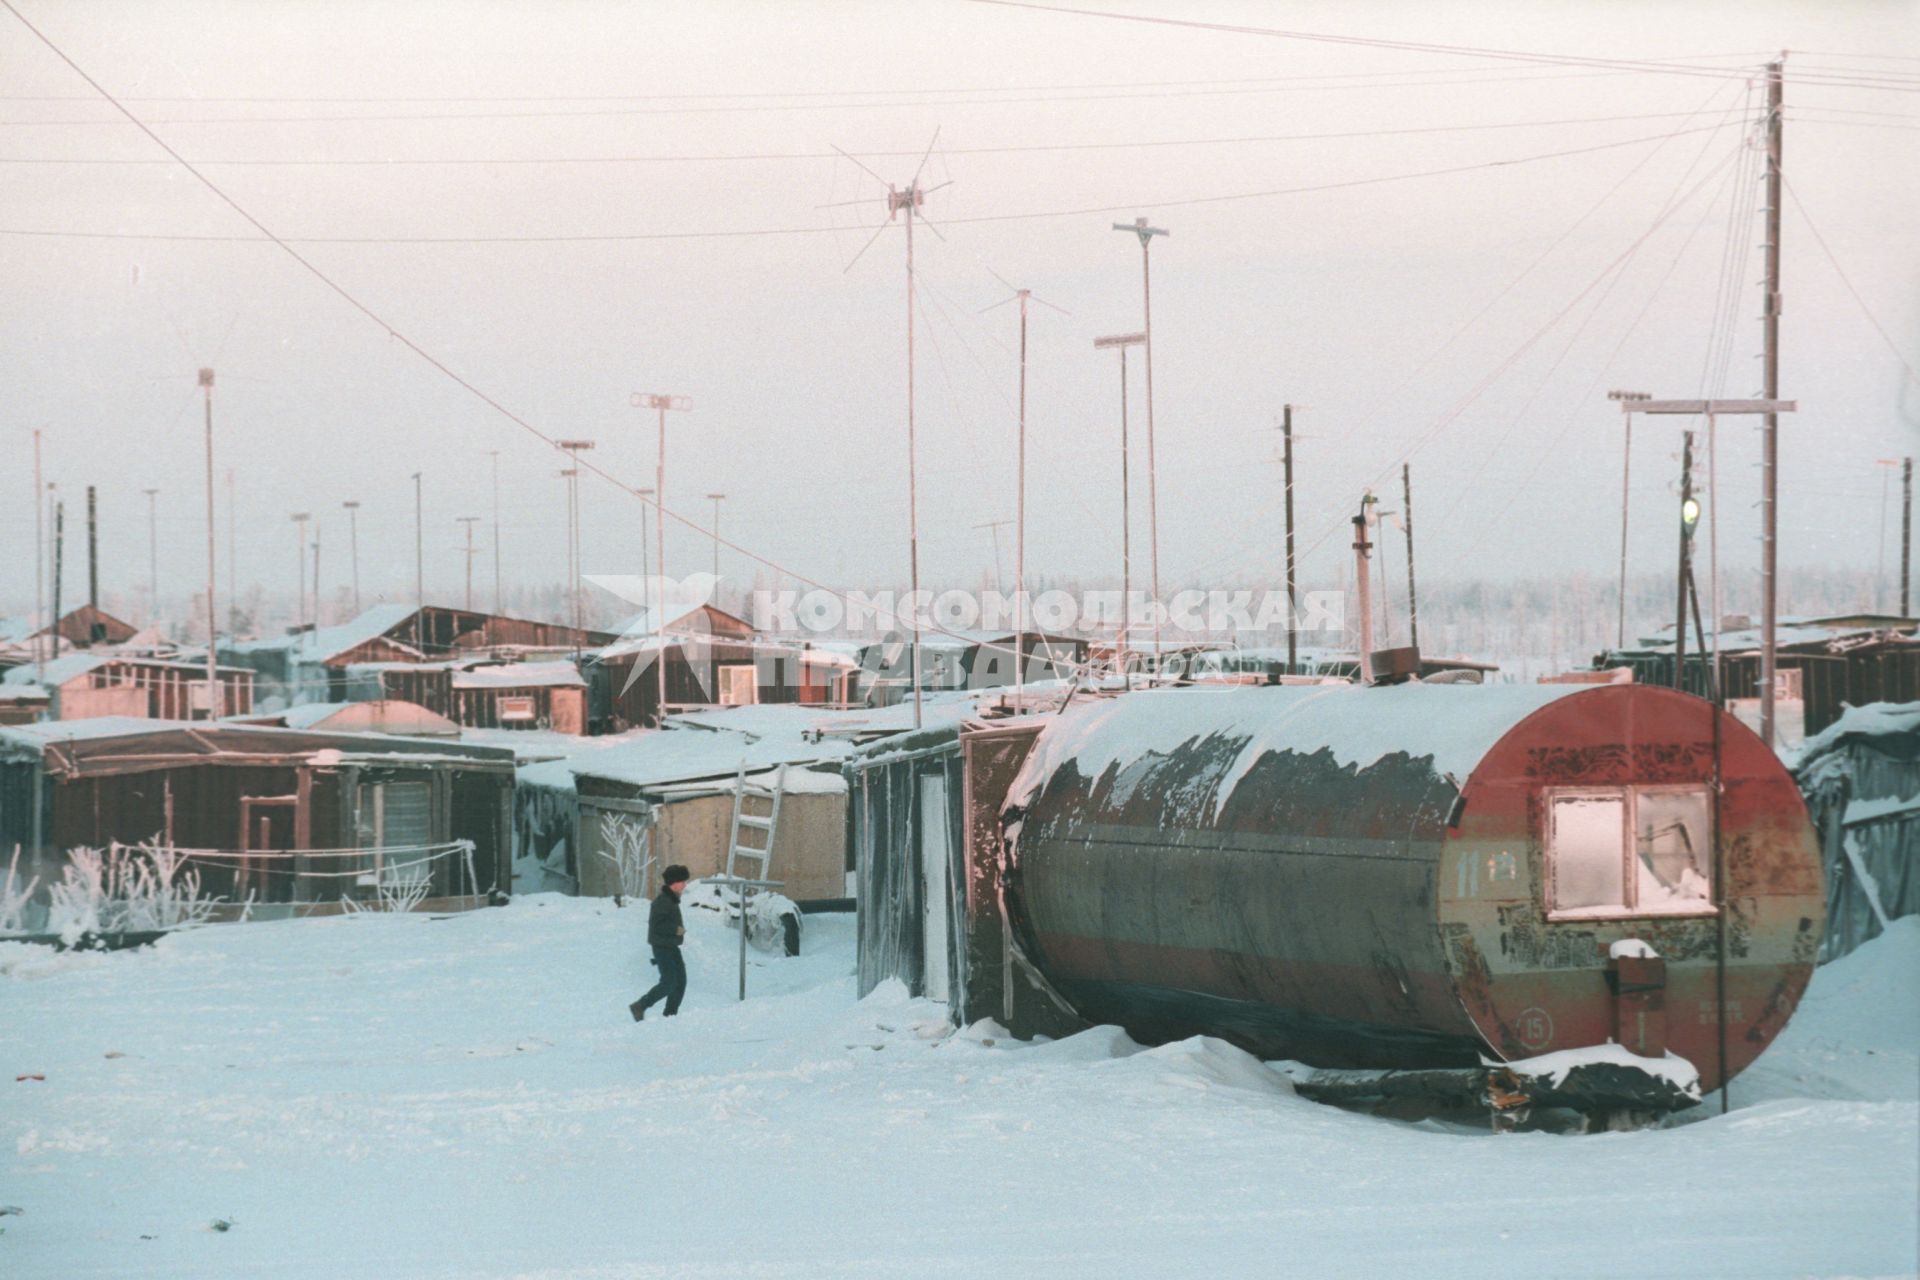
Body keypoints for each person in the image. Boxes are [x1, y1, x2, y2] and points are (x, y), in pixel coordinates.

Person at [629, 865, 690, 1021]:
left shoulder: (671, 899)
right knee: (669, 982)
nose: (685, 884)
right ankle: (640, 1005)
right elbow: (657, 925)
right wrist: (676, 929)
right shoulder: (663, 901)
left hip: (671, 946)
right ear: (673, 882)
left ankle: (670, 1015)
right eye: (682, 881)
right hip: (662, 948)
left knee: (680, 982)